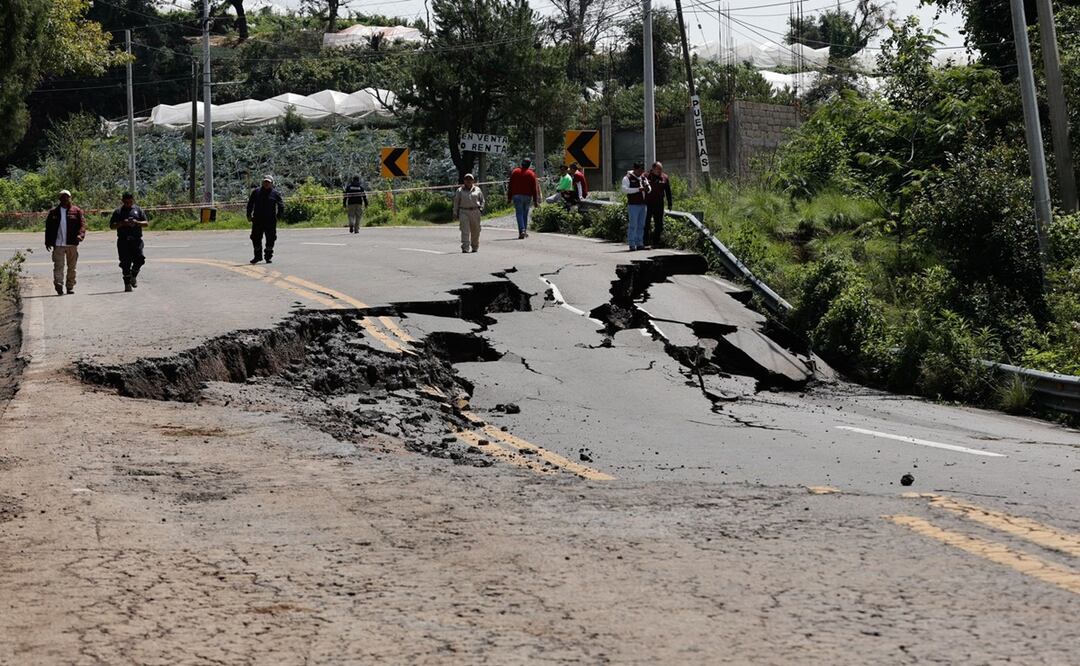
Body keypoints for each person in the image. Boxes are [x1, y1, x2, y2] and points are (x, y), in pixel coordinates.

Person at [44, 189, 87, 295]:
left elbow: (82, 225)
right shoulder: (53, 212)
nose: (65, 199)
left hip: (72, 243)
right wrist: (48, 241)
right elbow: (48, 228)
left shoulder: (76, 211)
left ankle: (70, 286)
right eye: (62, 197)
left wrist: (81, 235)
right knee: (59, 265)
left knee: (72, 267)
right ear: (59, 199)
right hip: (58, 244)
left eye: (66, 197)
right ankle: (58, 284)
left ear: (70, 198)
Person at [109, 192, 149, 292]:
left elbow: (146, 223)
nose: (128, 203)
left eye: (130, 202)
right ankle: (127, 284)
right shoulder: (118, 211)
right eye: (126, 202)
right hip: (123, 241)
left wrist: (136, 222)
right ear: (122, 201)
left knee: (140, 259)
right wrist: (122, 223)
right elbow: (112, 226)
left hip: (136, 240)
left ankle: (133, 276)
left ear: (133, 200)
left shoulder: (138, 210)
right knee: (125, 263)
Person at [247, 175, 284, 263]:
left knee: (271, 238)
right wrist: (248, 215)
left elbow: (281, 205)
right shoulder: (256, 192)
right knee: (255, 238)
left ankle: (268, 256)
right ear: (263, 182)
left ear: (272, 183)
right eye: (265, 182)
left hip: (270, 221)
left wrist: (279, 216)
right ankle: (257, 256)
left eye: (268, 182)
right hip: (257, 220)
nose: (266, 184)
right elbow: (250, 204)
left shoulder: (275, 193)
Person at [507, 157, 540, 239]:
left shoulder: (515, 172)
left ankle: (522, 230)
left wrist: (509, 198)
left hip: (517, 196)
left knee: (519, 213)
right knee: (525, 214)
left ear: (522, 163)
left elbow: (510, 186)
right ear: (529, 165)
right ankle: (523, 231)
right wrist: (535, 201)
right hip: (527, 197)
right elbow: (534, 189)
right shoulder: (531, 174)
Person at [453, 173, 486, 253]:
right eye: (466, 179)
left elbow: (482, 200)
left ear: (473, 181)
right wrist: (455, 212)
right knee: (465, 230)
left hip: (475, 211)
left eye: (470, 179)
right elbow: (456, 202)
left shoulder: (477, 189)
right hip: (464, 211)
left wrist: (481, 208)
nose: (468, 181)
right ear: (464, 181)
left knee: (476, 230)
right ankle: (465, 247)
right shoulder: (460, 190)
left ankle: (475, 246)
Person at [644, 161, 674, 248]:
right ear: (653, 169)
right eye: (658, 169)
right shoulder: (646, 176)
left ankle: (655, 242)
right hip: (648, 203)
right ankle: (645, 241)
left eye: (661, 169)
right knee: (646, 223)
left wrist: (670, 203)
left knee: (659, 224)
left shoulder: (664, 177)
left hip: (659, 203)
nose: (660, 171)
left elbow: (668, 191)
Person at [621, 163, 651, 251]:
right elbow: (624, 190)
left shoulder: (643, 178)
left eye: (642, 170)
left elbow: (649, 189)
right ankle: (632, 244)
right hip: (633, 205)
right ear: (635, 169)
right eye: (639, 170)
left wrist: (647, 188)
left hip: (643, 204)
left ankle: (640, 243)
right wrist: (638, 189)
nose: (641, 172)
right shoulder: (627, 178)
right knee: (633, 225)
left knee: (641, 225)